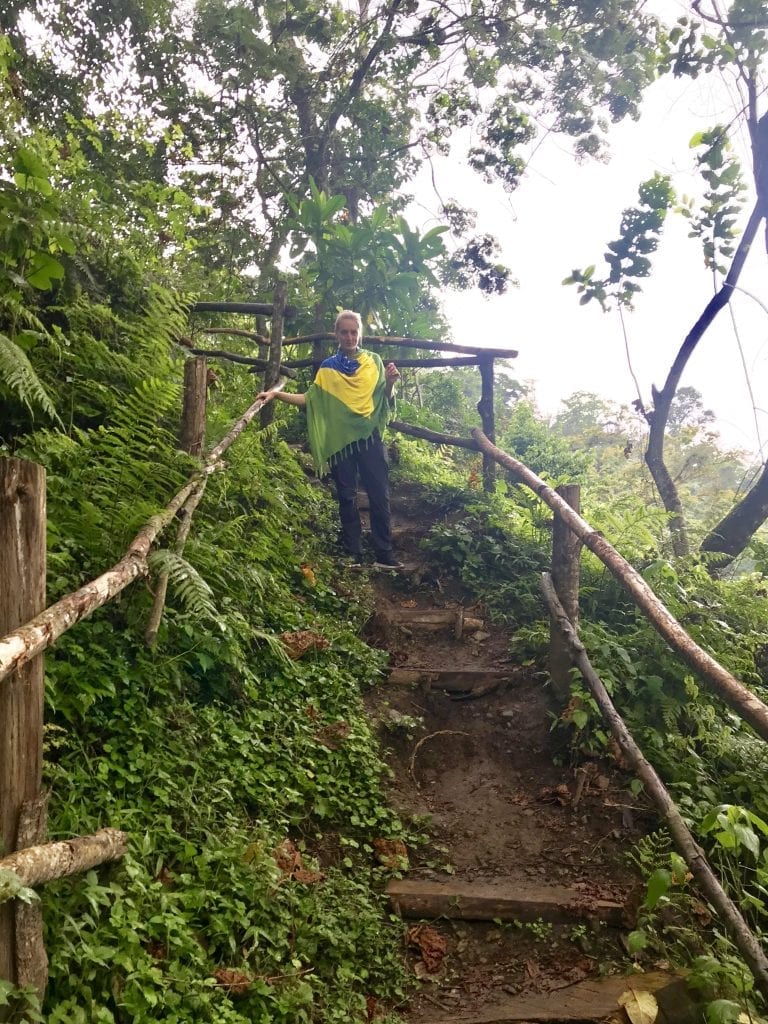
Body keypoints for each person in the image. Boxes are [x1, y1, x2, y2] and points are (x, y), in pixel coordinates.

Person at [257, 310, 402, 568]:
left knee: (379, 495)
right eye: (344, 332)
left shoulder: (374, 362)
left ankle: (384, 553)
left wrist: (390, 382)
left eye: (353, 332)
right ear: (337, 334)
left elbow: (385, 399)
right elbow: (310, 399)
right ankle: (353, 552)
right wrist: (276, 395)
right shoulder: (328, 368)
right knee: (347, 496)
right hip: (340, 440)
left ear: (360, 334)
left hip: (370, 436)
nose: (349, 337)